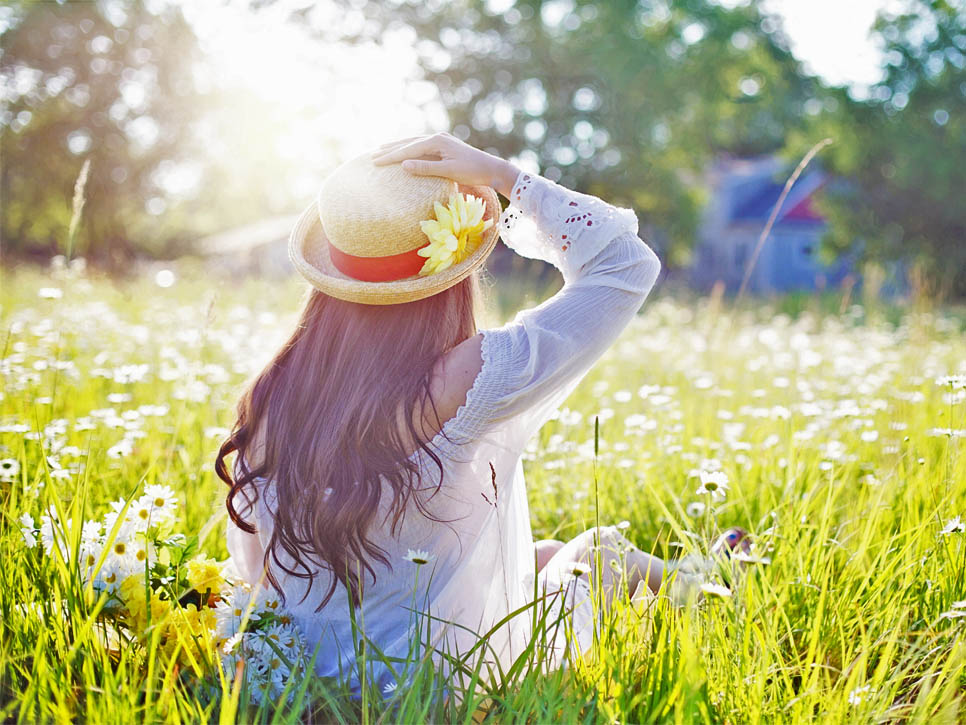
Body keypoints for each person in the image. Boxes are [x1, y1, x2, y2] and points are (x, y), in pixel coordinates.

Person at [215, 133, 738, 698]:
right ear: (453, 268)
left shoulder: (275, 389)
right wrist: (506, 177)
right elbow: (624, 264)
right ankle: (707, 583)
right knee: (599, 554)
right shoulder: (465, 376)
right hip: (435, 685)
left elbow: (256, 564)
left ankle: (701, 575)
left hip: (299, 671)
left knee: (537, 558)